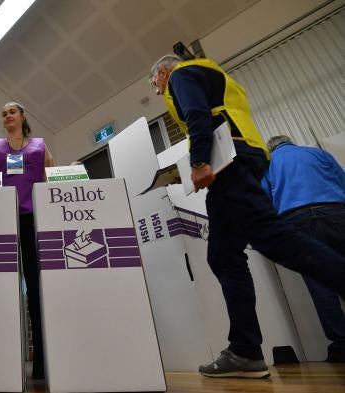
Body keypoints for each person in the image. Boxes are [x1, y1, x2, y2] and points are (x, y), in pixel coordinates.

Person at [148, 54, 345, 378]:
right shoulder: (206, 74)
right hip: (237, 161)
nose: (158, 92)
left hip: (232, 164)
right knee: (224, 256)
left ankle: (245, 350)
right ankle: (244, 351)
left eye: (155, 83)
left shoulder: (181, 76)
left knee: (276, 240)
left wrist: (198, 161)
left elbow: (198, 114)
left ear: (164, 71)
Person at [0, 102, 55, 381]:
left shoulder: (39, 146)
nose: (7, 115)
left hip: (31, 221)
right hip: (3, 222)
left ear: (23, 116)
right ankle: (1, 361)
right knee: (2, 286)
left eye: (12, 111)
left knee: (35, 289)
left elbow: (50, 180)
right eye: (3, 113)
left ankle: (41, 363)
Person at [261, 135, 345, 363]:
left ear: (270, 148)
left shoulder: (269, 165)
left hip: (297, 221)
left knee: (320, 284)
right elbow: (342, 179)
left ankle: (341, 345)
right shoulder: (317, 153)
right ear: (291, 142)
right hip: (337, 213)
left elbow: (265, 201)